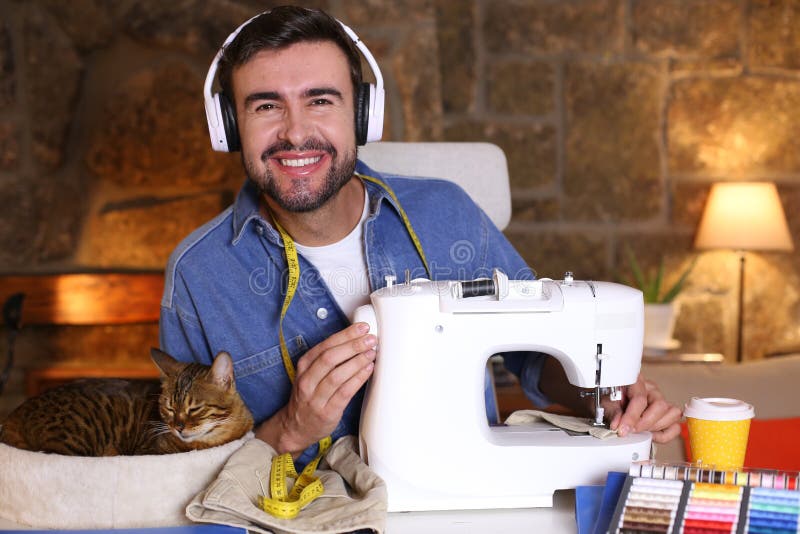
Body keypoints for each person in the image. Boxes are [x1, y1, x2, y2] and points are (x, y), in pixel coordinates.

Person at [159, 5, 681, 469]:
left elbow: (534, 356)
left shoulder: (446, 214)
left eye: (320, 100)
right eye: (266, 106)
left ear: (362, 113)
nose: (296, 132)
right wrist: (289, 429)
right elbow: (181, 475)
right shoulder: (199, 278)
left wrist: (606, 395)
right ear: (229, 125)